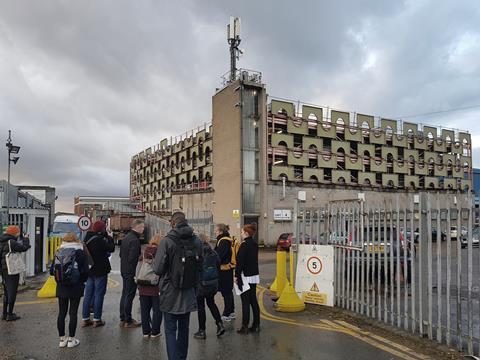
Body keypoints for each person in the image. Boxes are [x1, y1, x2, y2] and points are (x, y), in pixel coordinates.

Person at [153, 211, 202, 360]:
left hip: (170, 290)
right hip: (189, 290)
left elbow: (158, 269)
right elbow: (201, 264)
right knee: (184, 328)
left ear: (172, 223)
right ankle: (182, 357)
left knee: (170, 329)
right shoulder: (197, 241)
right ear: (185, 222)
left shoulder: (167, 241)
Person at [50, 232, 89, 348]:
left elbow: (52, 271)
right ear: (76, 240)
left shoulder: (59, 251)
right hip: (76, 286)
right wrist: (82, 280)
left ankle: (62, 339)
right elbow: (86, 271)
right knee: (73, 313)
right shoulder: (80, 252)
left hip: (61, 286)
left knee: (62, 312)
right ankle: (71, 340)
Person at [81, 220, 115, 328]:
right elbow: (111, 248)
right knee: (99, 294)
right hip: (100, 271)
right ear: (102, 229)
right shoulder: (100, 240)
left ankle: (85, 319)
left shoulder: (87, 238)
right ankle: (97, 319)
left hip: (90, 270)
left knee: (88, 295)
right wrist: (109, 237)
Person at [193, 234, 225, 340]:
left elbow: (194, 269)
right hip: (213, 283)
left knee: (201, 306)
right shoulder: (213, 252)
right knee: (211, 303)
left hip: (201, 284)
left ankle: (202, 331)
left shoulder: (197, 253)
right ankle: (219, 323)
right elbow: (218, 265)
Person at [0, 225, 30, 322]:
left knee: (6, 291)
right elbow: (24, 248)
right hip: (11, 269)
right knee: (12, 291)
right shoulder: (11, 242)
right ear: (14, 233)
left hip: (3, 269)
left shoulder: (2, 241)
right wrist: (26, 239)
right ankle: (10, 314)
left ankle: (4, 314)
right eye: (17, 232)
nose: (18, 234)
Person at [235, 223, 260, 334]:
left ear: (246, 233)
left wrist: (236, 275)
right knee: (253, 301)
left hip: (245, 276)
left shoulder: (244, 245)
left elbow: (240, 262)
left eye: (241, 232)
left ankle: (244, 327)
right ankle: (256, 325)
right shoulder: (254, 244)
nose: (240, 234)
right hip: (254, 276)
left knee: (245, 302)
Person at [119, 218, 144, 328]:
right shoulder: (135, 240)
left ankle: (123, 317)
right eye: (142, 227)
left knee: (125, 293)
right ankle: (128, 320)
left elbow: (121, 254)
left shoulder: (126, 238)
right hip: (131, 271)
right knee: (130, 294)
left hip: (124, 269)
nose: (143, 229)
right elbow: (133, 258)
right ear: (137, 227)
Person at [138, 233, 163, 338]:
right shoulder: (160, 253)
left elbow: (139, 264)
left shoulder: (144, 251)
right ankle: (155, 332)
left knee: (144, 310)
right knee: (157, 310)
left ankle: (145, 332)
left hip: (143, 285)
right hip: (155, 287)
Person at [214, 224, 235, 322]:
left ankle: (227, 313)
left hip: (224, 269)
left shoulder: (223, 241)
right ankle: (231, 311)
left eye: (216, 230)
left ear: (221, 231)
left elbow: (219, 256)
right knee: (228, 291)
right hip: (228, 268)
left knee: (226, 292)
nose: (215, 232)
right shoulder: (228, 240)